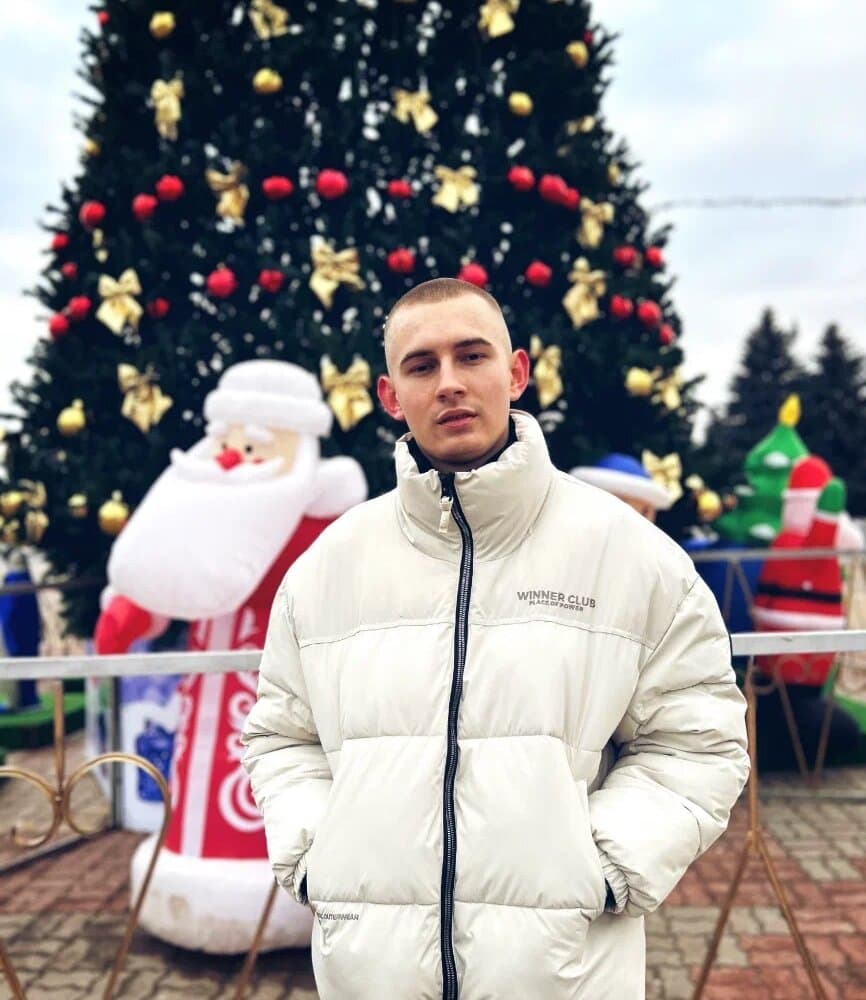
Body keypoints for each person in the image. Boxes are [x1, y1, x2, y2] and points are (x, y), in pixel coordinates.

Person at [241, 278, 749, 999]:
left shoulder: (629, 555)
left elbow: (697, 740)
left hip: (563, 974)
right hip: (373, 974)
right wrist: (316, 855)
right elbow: (281, 736)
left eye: (471, 356)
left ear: (515, 373)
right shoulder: (328, 568)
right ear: (391, 396)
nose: (449, 382)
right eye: (422, 366)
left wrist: (604, 868)